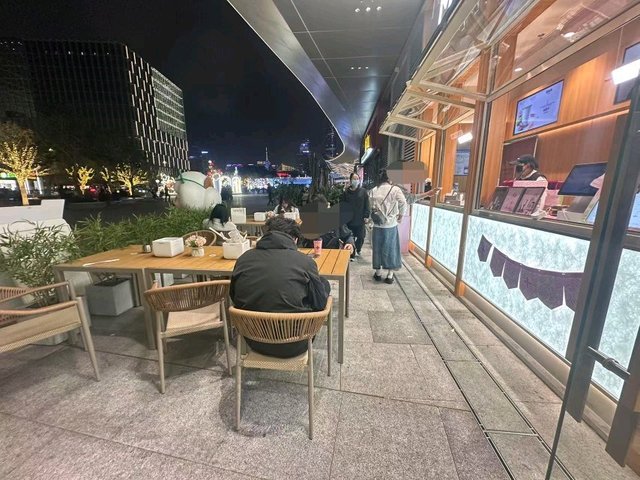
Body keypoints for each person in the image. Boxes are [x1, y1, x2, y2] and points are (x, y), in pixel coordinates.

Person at [230, 216, 331, 358]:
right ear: (294, 239)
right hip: (296, 342)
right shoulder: (305, 262)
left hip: (254, 340)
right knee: (323, 284)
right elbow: (320, 304)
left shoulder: (244, 259)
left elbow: (233, 295)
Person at [369, 169, 408, 284]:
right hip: (390, 225)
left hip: (377, 225)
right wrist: (401, 215)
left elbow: (371, 207)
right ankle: (390, 275)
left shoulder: (373, 190)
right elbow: (403, 202)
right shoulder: (395, 189)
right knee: (391, 249)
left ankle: (378, 273)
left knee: (377, 249)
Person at [342, 172, 369, 257]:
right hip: (349, 220)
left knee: (361, 236)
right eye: (354, 179)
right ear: (350, 180)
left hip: (360, 218)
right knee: (350, 237)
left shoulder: (363, 191)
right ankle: (352, 254)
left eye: (357, 179)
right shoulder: (346, 192)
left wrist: (366, 215)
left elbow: (367, 204)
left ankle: (358, 249)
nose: (356, 180)